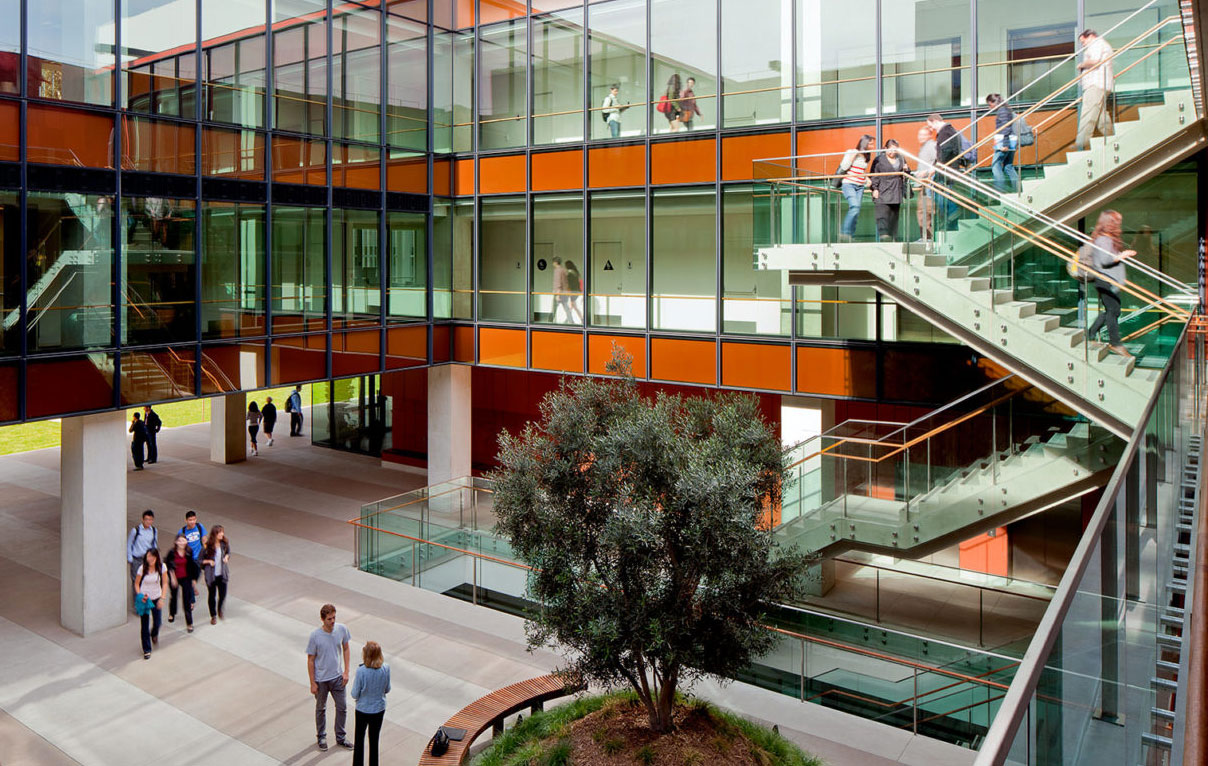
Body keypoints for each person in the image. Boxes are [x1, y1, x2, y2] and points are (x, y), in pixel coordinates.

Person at [1085, 209, 1135, 358]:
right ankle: (1116, 343)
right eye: (1117, 222)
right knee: (1113, 311)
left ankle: (1090, 334)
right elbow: (1105, 260)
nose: (1119, 224)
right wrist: (1123, 255)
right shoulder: (1103, 239)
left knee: (1112, 311)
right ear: (1110, 223)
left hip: (1108, 281)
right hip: (1105, 281)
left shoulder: (1104, 239)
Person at [307, 603, 353, 752]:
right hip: (321, 680)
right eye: (329, 619)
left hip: (337, 677)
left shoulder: (342, 629)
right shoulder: (315, 636)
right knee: (321, 708)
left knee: (342, 707)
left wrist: (346, 671)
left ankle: (340, 737)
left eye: (334, 618)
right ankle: (321, 736)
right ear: (322, 619)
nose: (332, 621)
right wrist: (312, 683)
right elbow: (311, 660)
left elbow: (346, 648)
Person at [351, 641, 391, 766]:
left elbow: (354, 693)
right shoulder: (385, 668)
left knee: (359, 740)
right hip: (378, 709)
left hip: (363, 709)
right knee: (374, 741)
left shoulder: (361, 671)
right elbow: (387, 689)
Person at [1076, 29, 1114, 150]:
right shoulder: (1102, 44)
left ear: (1091, 36)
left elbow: (1095, 61)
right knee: (1101, 116)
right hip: (1101, 84)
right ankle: (1113, 138)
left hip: (1096, 84)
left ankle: (1081, 143)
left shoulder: (1097, 44)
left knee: (1088, 112)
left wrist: (1081, 65)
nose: (1083, 44)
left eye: (1083, 41)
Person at [869, 139, 910, 242]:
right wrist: (874, 188)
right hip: (883, 189)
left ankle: (893, 237)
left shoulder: (901, 158)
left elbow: (907, 174)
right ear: (885, 149)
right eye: (890, 150)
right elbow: (874, 175)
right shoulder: (879, 159)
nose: (893, 152)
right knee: (882, 214)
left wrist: (907, 169)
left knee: (894, 216)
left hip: (896, 189)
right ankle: (884, 236)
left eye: (895, 150)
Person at [927, 113, 962, 231]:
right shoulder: (951, 131)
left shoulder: (944, 132)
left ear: (935, 121)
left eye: (931, 126)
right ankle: (951, 223)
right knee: (944, 194)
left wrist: (936, 167)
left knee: (941, 195)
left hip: (946, 171)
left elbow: (945, 152)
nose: (931, 130)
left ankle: (952, 214)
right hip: (950, 169)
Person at [836, 135, 874, 242]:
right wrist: (854, 155)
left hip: (860, 186)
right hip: (849, 184)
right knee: (854, 207)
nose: (873, 146)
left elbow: (861, 171)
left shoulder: (867, 156)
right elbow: (844, 166)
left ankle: (851, 235)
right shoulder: (851, 152)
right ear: (865, 143)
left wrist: (867, 179)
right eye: (871, 143)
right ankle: (845, 233)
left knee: (856, 211)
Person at [134, 548, 167, 659]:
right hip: (145, 599)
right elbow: (137, 584)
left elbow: (165, 583)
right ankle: (146, 649)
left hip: (157, 597)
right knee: (144, 625)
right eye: (148, 556)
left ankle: (154, 634)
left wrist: (162, 598)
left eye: (152, 556)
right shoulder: (142, 569)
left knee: (158, 622)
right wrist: (140, 595)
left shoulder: (162, 567)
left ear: (156, 557)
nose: (150, 559)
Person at [164, 534, 200, 632]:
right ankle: (172, 613)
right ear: (176, 542)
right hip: (175, 577)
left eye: (183, 541)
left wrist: (193, 579)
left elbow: (193, 566)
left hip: (186, 577)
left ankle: (189, 623)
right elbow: (168, 564)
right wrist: (172, 577)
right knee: (174, 596)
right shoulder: (172, 552)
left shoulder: (188, 552)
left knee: (187, 600)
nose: (181, 543)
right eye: (179, 541)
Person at [985, 94, 1019, 193]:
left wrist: (1005, 144)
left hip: (1004, 142)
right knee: (1008, 167)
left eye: (989, 104)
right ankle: (1017, 190)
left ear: (994, 102)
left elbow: (1006, 128)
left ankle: (999, 191)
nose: (989, 107)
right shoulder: (1007, 109)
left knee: (995, 165)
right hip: (1010, 141)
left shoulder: (1002, 111)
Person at [201, 525, 231, 625]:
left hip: (222, 574)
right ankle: (213, 615)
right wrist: (209, 561)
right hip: (211, 575)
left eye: (222, 532)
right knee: (212, 595)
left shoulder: (224, 543)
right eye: (219, 532)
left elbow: (228, 552)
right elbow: (199, 560)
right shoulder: (207, 546)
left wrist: (226, 557)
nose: (222, 534)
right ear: (215, 534)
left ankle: (220, 609)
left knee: (222, 594)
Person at [914, 126, 937, 244]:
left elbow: (937, 162)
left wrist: (927, 173)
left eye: (923, 135)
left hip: (928, 182)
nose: (920, 137)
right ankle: (925, 236)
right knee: (922, 211)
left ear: (929, 135)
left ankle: (929, 237)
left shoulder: (932, 145)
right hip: (922, 183)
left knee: (927, 210)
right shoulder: (923, 147)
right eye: (919, 135)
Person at [127, 510, 158, 587]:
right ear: (143, 519)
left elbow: (154, 544)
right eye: (147, 519)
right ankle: (137, 598)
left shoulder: (154, 531)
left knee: (147, 580)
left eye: (150, 520)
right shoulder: (136, 530)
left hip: (148, 559)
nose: (148, 522)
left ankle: (145, 598)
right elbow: (129, 543)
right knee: (136, 581)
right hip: (137, 559)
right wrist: (130, 558)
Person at [550, 256, 570, 323]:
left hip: (559, 292)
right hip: (564, 291)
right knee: (566, 307)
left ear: (555, 262)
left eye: (553, 262)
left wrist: (557, 294)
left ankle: (550, 321)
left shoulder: (557, 270)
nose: (552, 264)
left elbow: (558, 282)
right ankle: (570, 320)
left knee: (554, 308)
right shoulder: (564, 270)